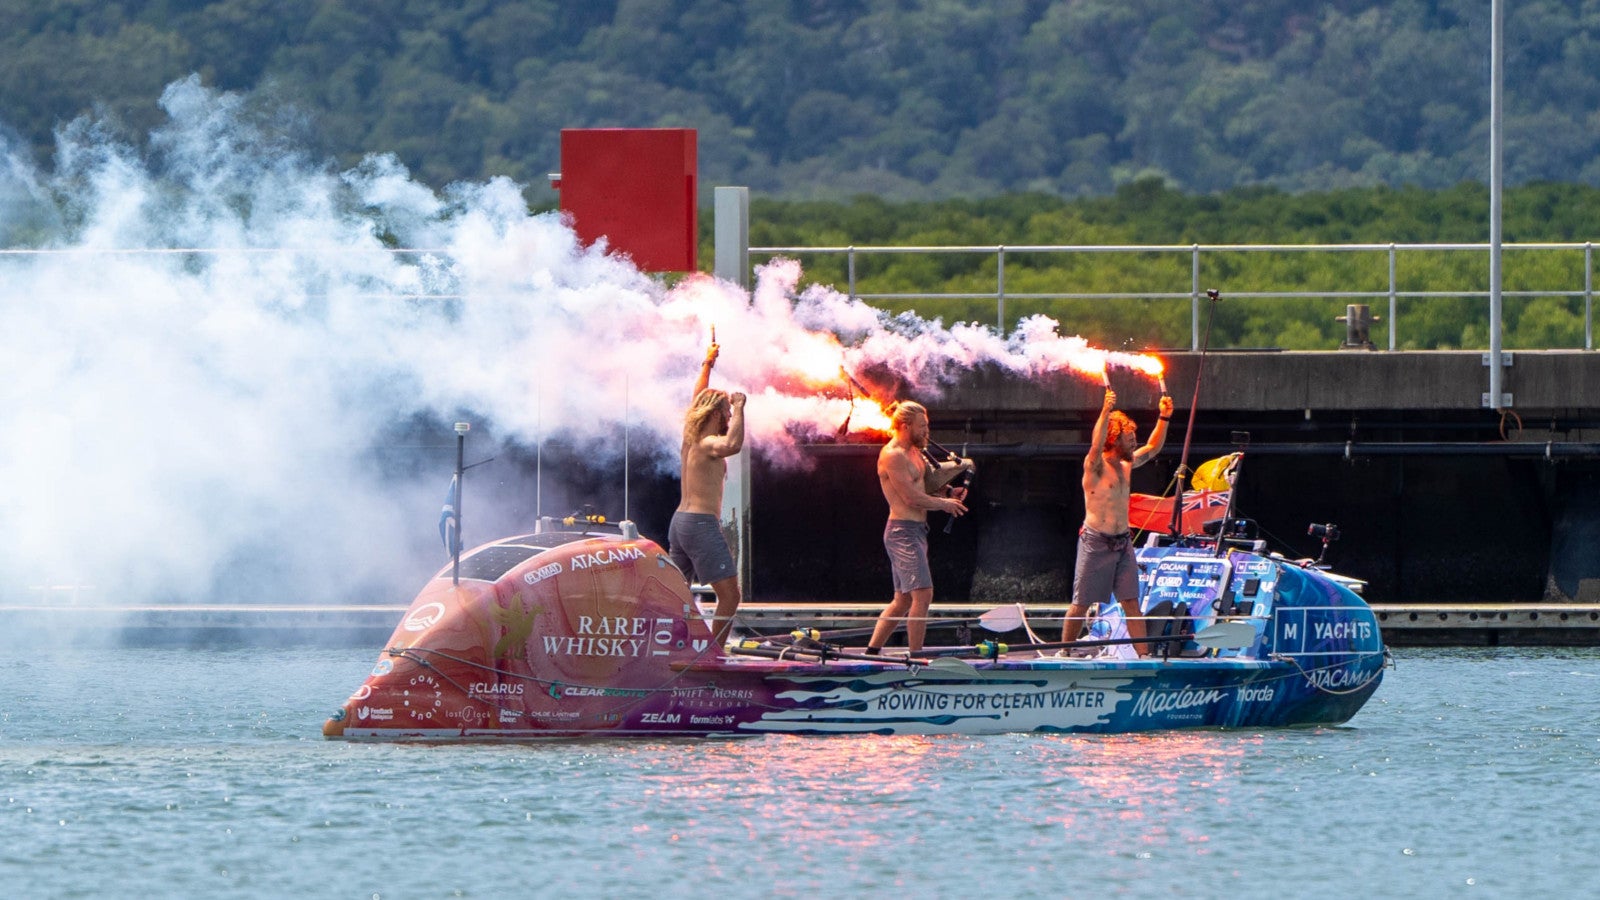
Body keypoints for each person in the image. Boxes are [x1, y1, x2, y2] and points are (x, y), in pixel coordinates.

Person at [1061, 387, 1174, 655]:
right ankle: (1064, 652)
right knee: (1081, 602)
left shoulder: (1127, 464)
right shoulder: (1095, 465)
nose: (1134, 443)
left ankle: (1144, 656)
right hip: (1095, 542)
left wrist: (1164, 417)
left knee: (1131, 602)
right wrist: (1105, 410)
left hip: (1122, 544)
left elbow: (1153, 448)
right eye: (1129, 439)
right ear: (1114, 439)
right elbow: (1096, 443)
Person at [866, 401, 968, 656]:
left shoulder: (915, 452)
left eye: (927, 426)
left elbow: (925, 485)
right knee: (923, 594)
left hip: (918, 531)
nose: (926, 432)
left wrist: (948, 491)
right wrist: (944, 505)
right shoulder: (892, 455)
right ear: (905, 426)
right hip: (902, 532)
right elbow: (910, 497)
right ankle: (916, 657)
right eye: (922, 426)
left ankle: (871, 651)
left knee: (902, 600)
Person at [669, 342, 746, 646]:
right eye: (726, 412)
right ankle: (714, 654)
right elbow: (733, 445)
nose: (728, 416)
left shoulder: (690, 438)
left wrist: (707, 363)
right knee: (730, 595)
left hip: (680, 523)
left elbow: (697, 398)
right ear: (716, 413)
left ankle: (674, 648)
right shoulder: (709, 443)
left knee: (676, 594)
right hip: (700, 524)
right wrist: (740, 408)